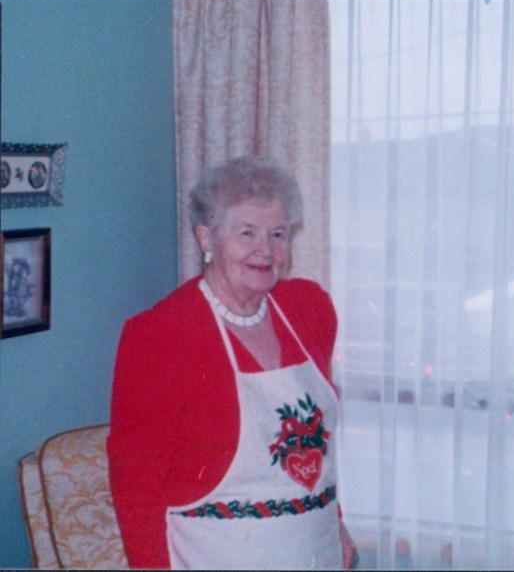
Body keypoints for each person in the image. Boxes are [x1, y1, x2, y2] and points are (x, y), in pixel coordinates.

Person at [107, 156, 357, 569]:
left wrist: (336, 520)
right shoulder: (161, 333)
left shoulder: (309, 309)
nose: (266, 249)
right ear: (206, 238)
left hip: (315, 552)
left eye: (278, 233)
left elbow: (316, 448)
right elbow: (135, 482)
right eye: (247, 232)